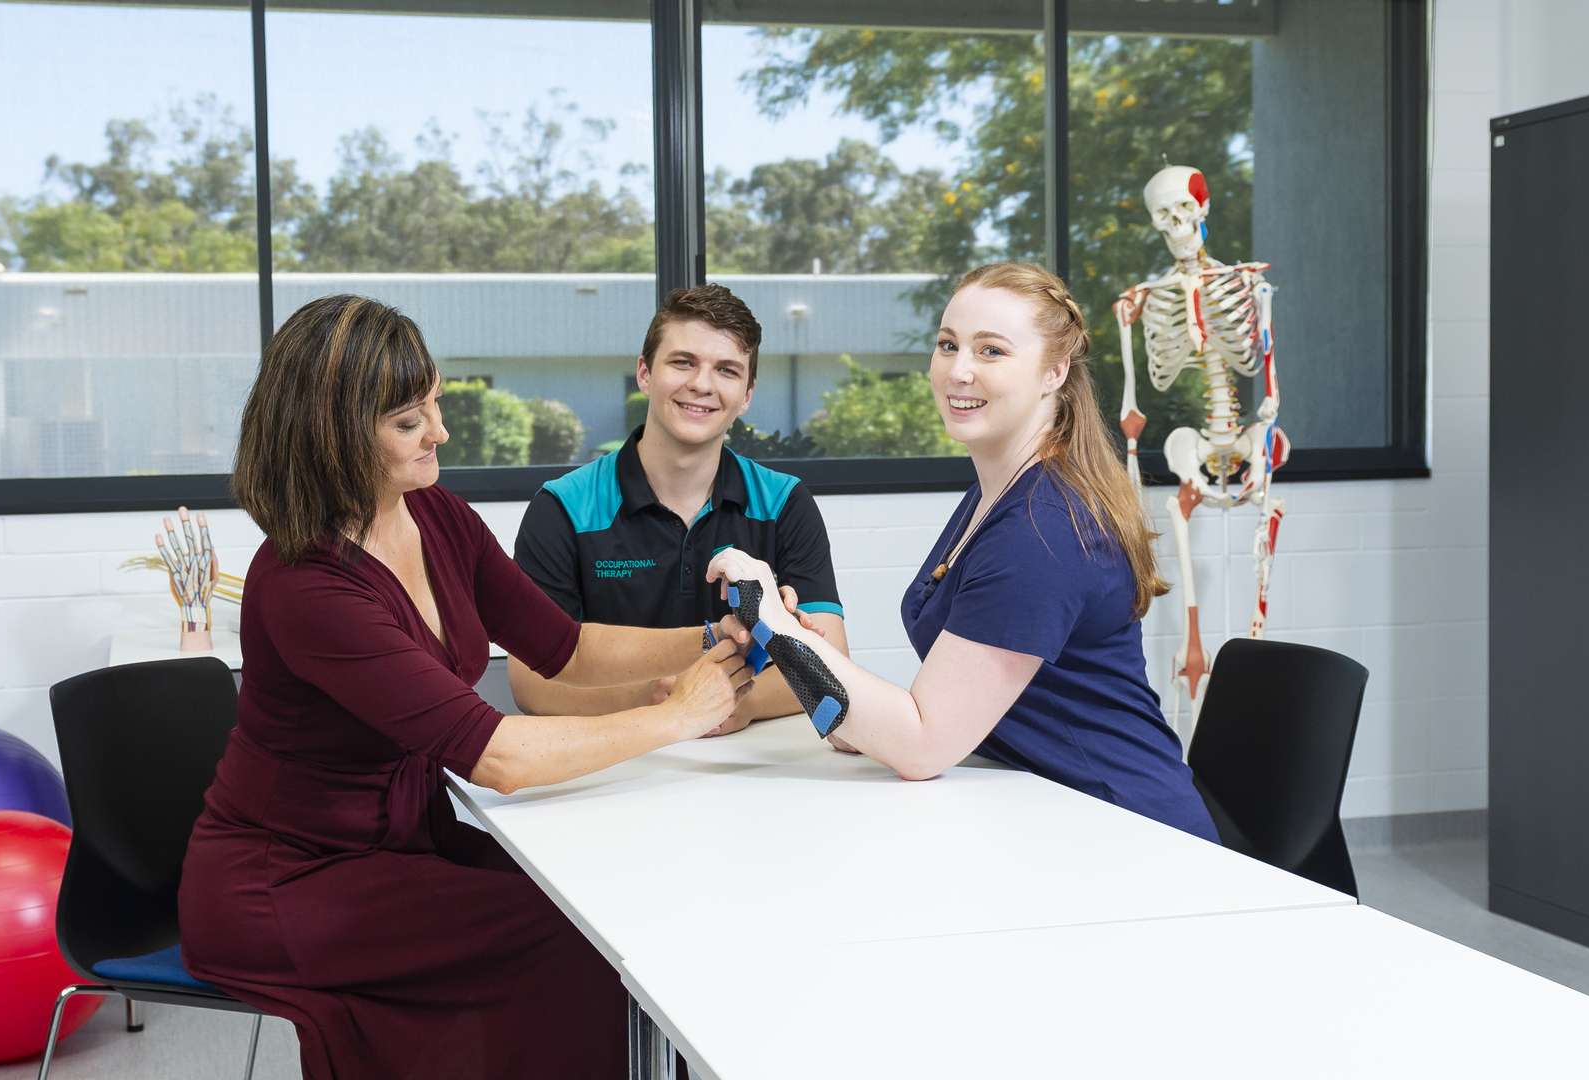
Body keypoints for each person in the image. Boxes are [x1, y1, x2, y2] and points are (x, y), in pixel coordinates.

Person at [178, 294, 753, 1079]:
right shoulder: (306, 584)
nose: (441, 433)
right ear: (337, 436)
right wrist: (678, 715)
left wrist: (710, 639)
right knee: (575, 946)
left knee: (604, 906)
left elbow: (565, 647)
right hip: (289, 881)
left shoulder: (436, 515)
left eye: (435, 404)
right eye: (410, 422)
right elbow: (498, 758)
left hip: (400, 842)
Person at [707, 262, 1219, 842]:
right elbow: (928, 716)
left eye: (992, 351)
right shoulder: (998, 492)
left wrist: (774, 619)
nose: (959, 370)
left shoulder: (1042, 532)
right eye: (948, 345)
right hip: (1048, 814)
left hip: (1132, 835)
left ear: (1054, 372)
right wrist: (818, 671)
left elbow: (924, 744)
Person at [511, 283, 848, 732]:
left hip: (750, 766)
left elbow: (832, 661)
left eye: (727, 370)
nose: (702, 385)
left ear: (747, 394)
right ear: (645, 372)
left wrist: (735, 704)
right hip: (609, 765)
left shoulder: (784, 503)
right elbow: (530, 681)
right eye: (683, 362)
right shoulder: (563, 508)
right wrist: (660, 704)